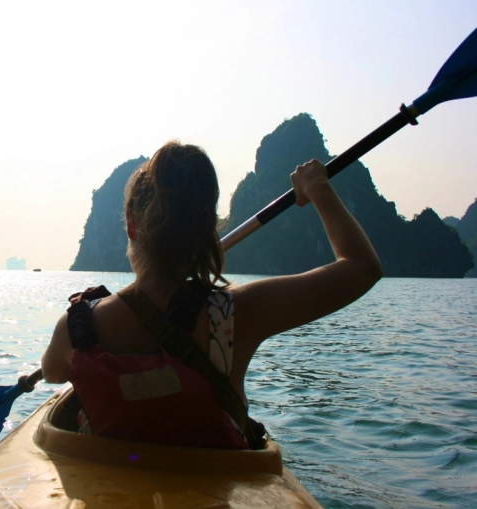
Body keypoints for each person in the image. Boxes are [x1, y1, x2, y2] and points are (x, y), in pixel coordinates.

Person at [41, 141, 382, 449]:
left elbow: (53, 373)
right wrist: (317, 186)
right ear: (208, 229)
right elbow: (362, 267)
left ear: (131, 223)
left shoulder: (76, 329)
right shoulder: (239, 313)